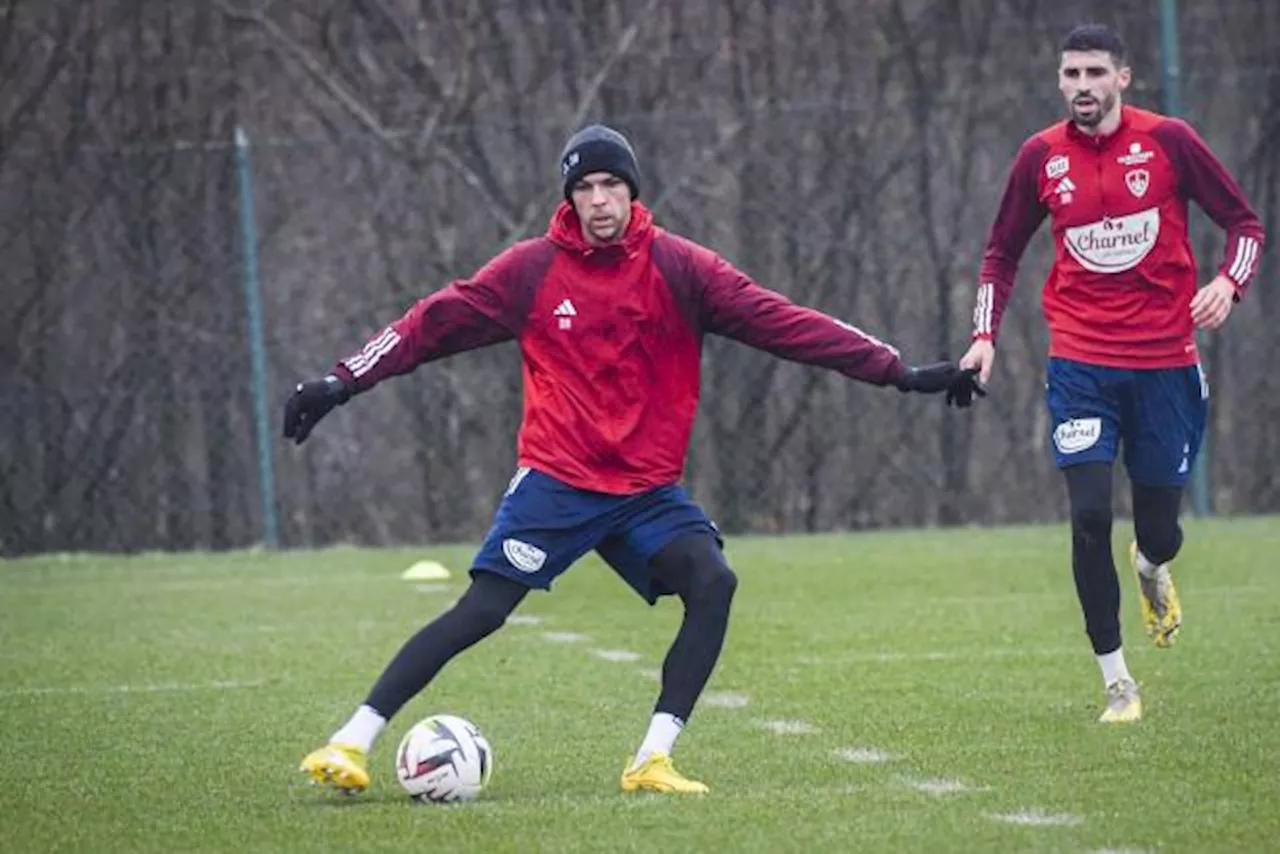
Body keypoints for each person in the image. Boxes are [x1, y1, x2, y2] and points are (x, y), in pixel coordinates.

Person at [285, 123, 983, 796]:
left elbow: (788, 324)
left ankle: (653, 758)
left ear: (633, 191)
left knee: (712, 581)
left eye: (611, 184)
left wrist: (898, 371)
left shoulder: (682, 270)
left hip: (645, 491)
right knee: (483, 611)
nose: (598, 201)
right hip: (557, 480)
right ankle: (352, 739)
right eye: (584, 187)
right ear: (569, 199)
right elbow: (427, 325)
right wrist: (340, 382)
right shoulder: (530, 273)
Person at [960, 24, 1265, 723]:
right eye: (1070, 75)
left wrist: (1228, 285)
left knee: (1160, 530)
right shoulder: (1041, 156)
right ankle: (1117, 681)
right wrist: (984, 337)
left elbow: (1246, 225)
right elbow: (999, 256)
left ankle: (1153, 565)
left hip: (1165, 365)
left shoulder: (1170, 142)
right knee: (1090, 516)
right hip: (1080, 362)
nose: (1081, 88)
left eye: (1095, 73)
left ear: (1123, 78)